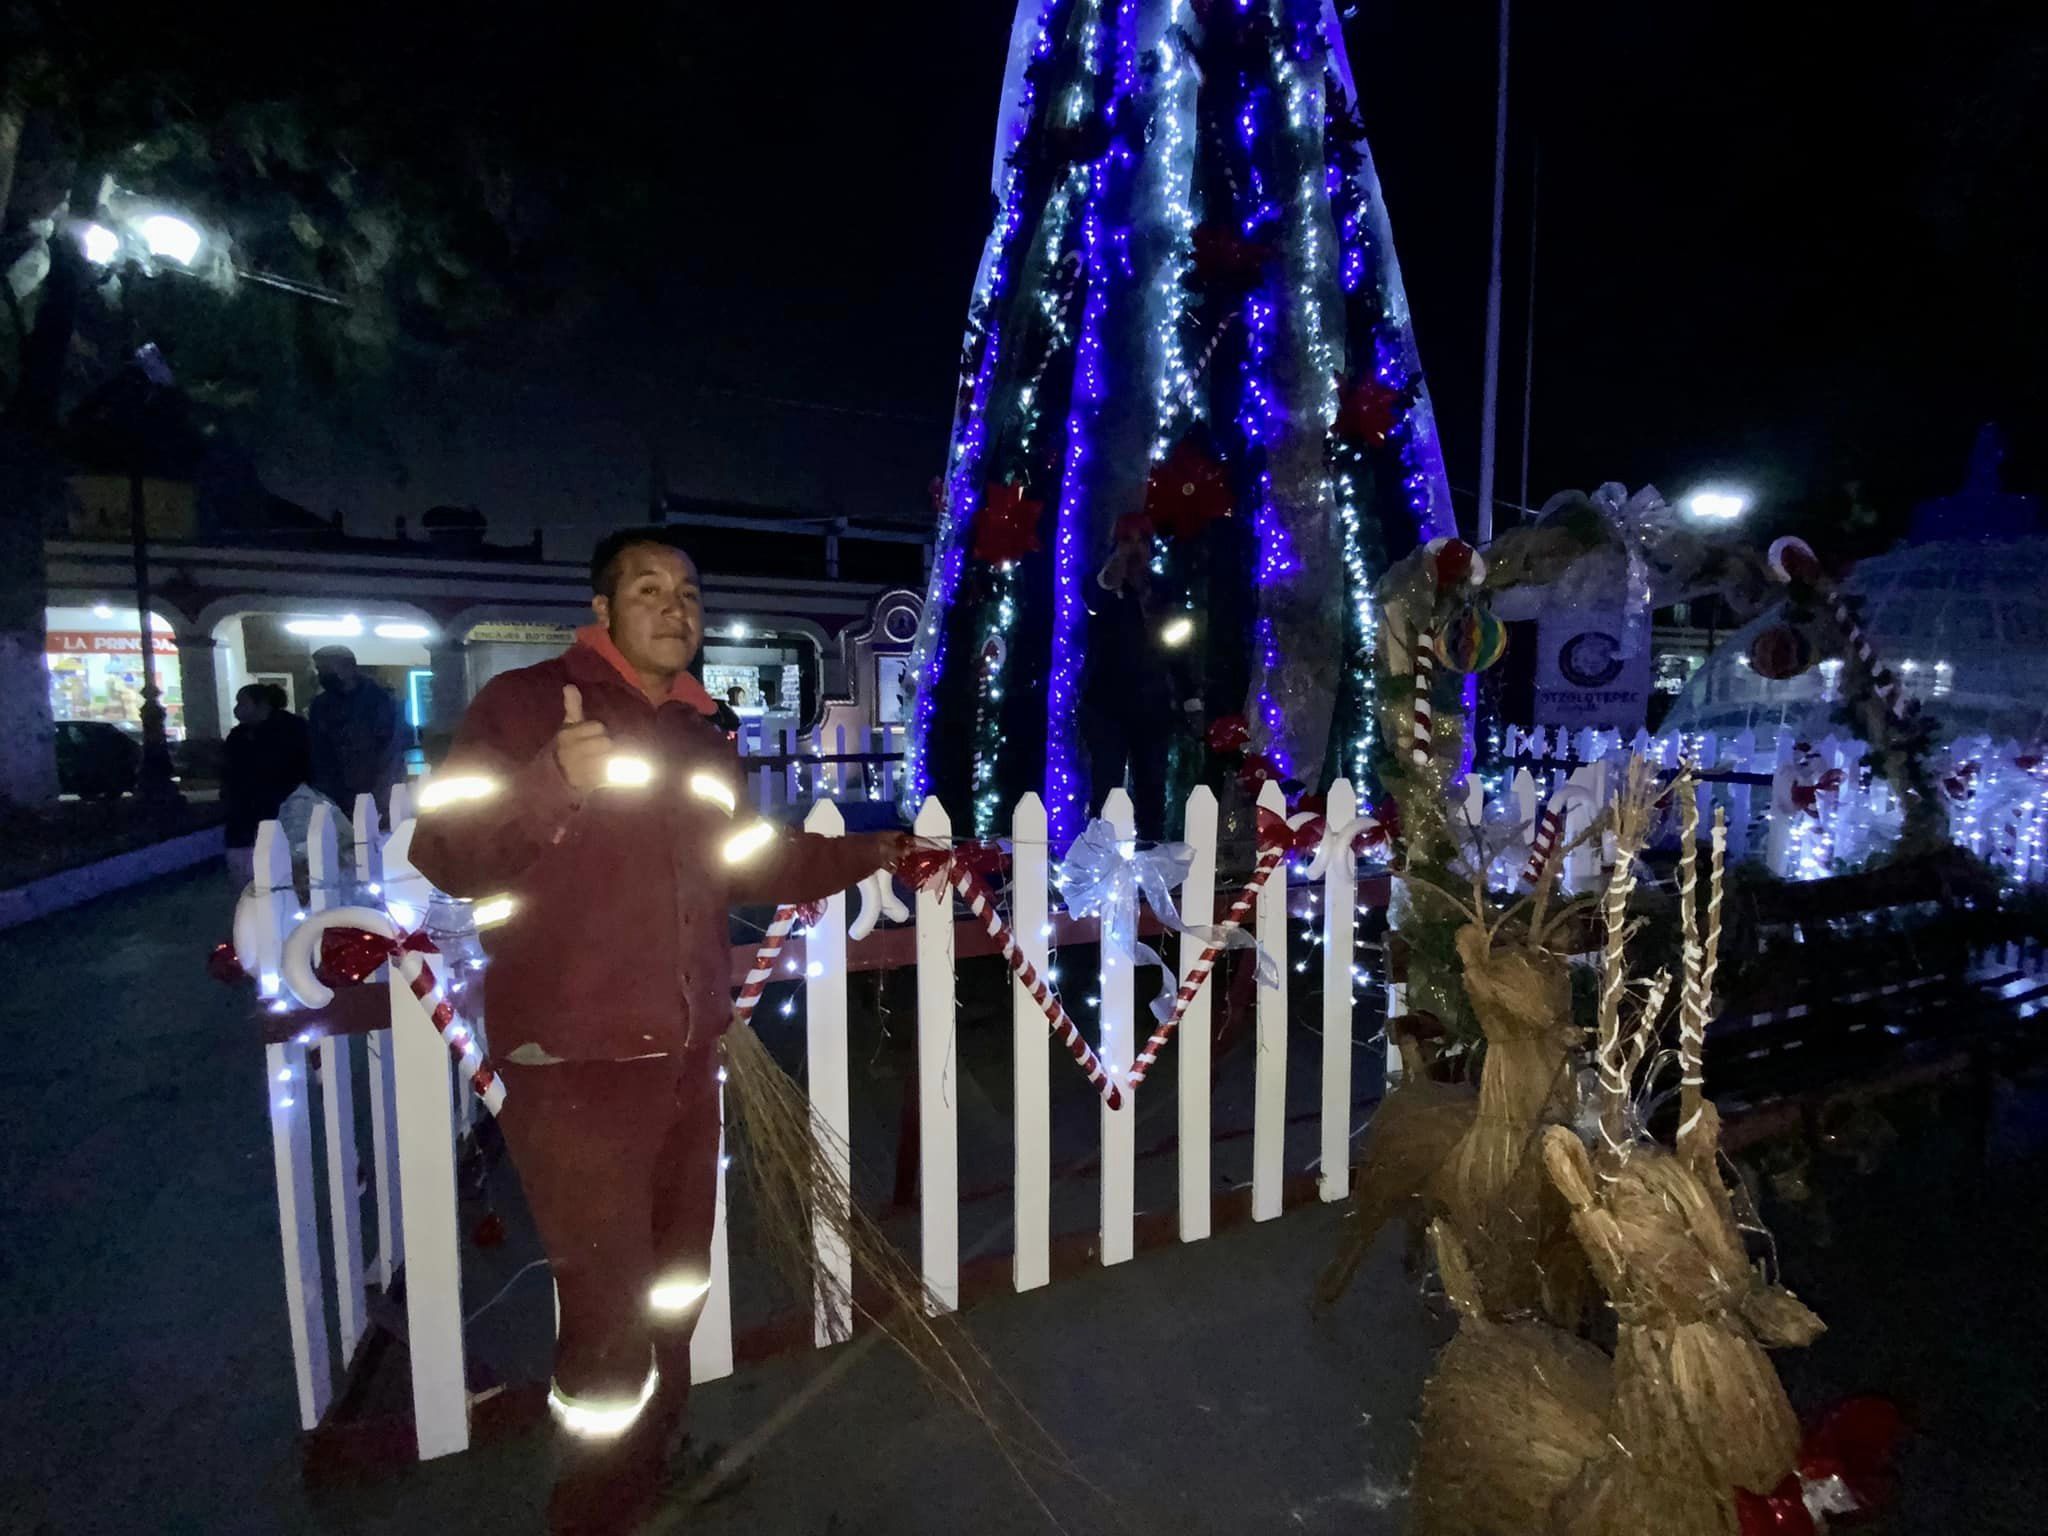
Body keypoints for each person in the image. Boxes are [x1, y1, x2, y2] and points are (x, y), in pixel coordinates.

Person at [408, 528, 907, 1535]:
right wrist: (550, 777)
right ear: (601, 611)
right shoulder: (523, 707)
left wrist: (875, 852)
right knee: (607, 1313)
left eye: (687, 590)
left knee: (674, 1287)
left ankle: (653, 1457)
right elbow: (444, 852)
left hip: (685, 1056)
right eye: (648, 588)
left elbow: (746, 861)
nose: (674, 606)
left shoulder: (697, 734)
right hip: (578, 1064)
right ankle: (592, 1510)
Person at [1078, 516, 1188, 840]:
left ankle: (1150, 856)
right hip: (1106, 706)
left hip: (1152, 705)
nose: (1136, 548)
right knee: (1107, 786)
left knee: (1152, 786)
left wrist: (1189, 695)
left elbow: (1178, 644)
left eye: (1142, 541)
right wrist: (1118, 566)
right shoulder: (1102, 588)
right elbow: (1095, 600)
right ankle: (1102, 858)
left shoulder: (1164, 590)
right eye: (1128, 540)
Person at [222, 683, 310, 887]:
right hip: (244, 815)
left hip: (282, 810)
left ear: (261, 705)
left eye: (242, 703)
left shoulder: (290, 731)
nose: (237, 709)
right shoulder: (238, 735)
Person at [306, 645, 404, 816]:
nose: (321, 675)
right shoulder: (321, 705)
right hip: (334, 789)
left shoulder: (379, 700)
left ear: (347, 667)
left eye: (325, 669)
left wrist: (383, 789)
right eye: (319, 669)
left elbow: (389, 747)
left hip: (374, 784)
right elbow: (318, 748)